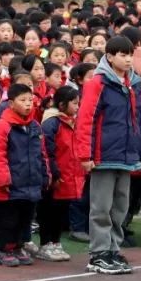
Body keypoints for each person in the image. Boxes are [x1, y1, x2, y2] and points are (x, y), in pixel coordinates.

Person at [75, 35, 141, 276]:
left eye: (130, 55)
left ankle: (113, 249)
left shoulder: (134, 83)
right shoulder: (98, 83)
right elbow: (86, 119)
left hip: (126, 155)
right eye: (122, 55)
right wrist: (85, 155)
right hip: (103, 155)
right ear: (109, 56)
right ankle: (98, 253)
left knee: (119, 206)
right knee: (101, 206)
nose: (127, 59)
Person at [0, 83, 48, 268]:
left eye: (31, 100)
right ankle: (5, 248)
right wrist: (3, 179)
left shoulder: (35, 126)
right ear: (11, 103)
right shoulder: (3, 126)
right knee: (8, 218)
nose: (28, 104)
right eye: (23, 100)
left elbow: (42, 154)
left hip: (31, 182)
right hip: (11, 184)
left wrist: (45, 174)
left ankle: (19, 245)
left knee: (26, 217)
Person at [39, 87, 80, 261]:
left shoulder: (73, 121)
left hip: (70, 174)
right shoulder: (52, 123)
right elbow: (48, 151)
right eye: (74, 103)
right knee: (49, 210)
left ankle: (55, 242)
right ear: (62, 104)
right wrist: (54, 174)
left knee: (62, 210)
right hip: (55, 176)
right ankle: (45, 243)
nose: (78, 107)